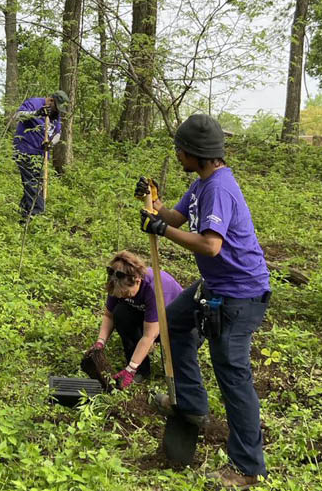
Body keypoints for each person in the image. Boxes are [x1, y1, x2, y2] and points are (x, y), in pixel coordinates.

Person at [138, 114, 271, 488]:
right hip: (215, 286)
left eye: (180, 149)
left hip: (240, 294)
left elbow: (211, 245)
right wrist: (154, 204)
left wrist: (162, 231)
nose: (177, 154)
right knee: (173, 323)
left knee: (233, 376)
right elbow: (176, 217)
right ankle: (191, 403)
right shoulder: (201, 184)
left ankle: (248, 467)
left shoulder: (219, 189)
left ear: (196, 153)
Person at [88, 250, 183, 388]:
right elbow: (109, 315)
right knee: (120, 313)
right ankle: (141, 370)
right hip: (148, 318)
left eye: (126, 293)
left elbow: (149, 336)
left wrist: (130, 368)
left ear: (138, 280)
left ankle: (134, 367)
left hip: (178, 325)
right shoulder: (118, 280)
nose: (121, 297)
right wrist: (100, 343)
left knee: (174, 367)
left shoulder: (154, 288)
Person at [12, 91, 68, 223]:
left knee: (38, 184)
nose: (58, 111)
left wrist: (51, 143)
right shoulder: (33, 103)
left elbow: (57, 133)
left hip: (41, 154)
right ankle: (36, 215)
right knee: (33, 183)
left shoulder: (55, 114)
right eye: (57, 107)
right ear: (51, 100)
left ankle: (24, 212)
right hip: (25, 150)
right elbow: (17, 116)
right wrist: (36, 113)